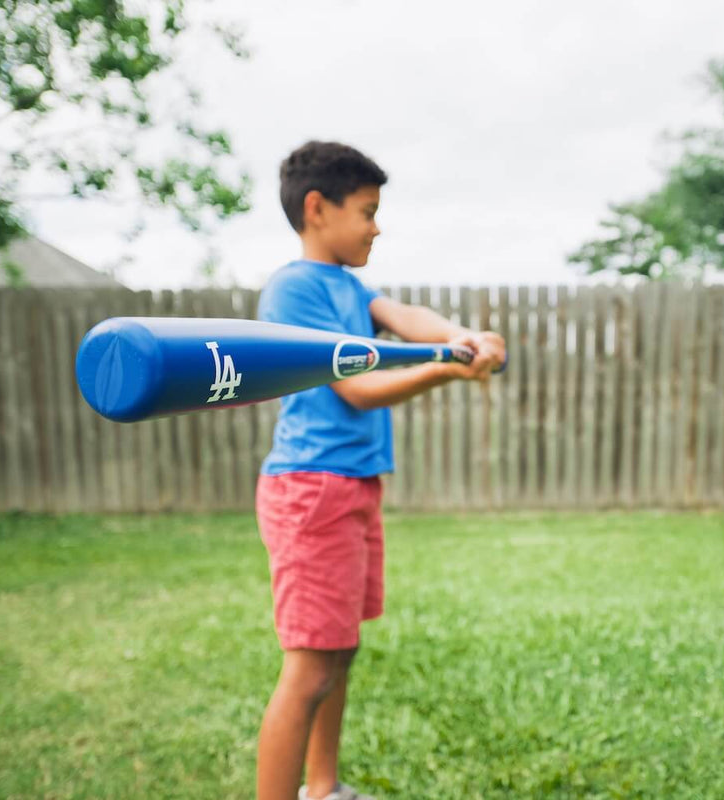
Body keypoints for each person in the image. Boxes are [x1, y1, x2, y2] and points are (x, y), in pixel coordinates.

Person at [254, 140, 506, 800]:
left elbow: (406, 318)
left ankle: (323, 789)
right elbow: (356, 388)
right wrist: (445, 368)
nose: (376, 225)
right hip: (312, 487)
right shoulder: (295, 289)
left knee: (339, 653)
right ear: (317, 208)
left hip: (352, 484)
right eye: (366, 211)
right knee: (309, 668)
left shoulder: (349, 286)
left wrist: (463, 336)